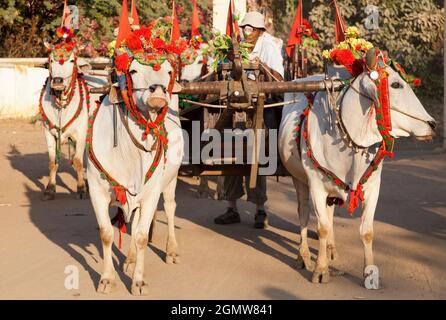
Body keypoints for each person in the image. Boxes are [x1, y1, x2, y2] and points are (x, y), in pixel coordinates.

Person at [214, 11, 284, 229]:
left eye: (251, 28)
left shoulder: (269, 46)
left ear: (260, 31)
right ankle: (232, 208)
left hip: (261, 106)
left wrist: (260, 65)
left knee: (258, 156)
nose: (246, 31)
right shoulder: (235, 46)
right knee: (229, 154)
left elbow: (279, 79)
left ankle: (260, 210)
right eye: (244, 27)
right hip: (233, 105)